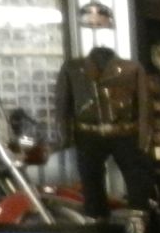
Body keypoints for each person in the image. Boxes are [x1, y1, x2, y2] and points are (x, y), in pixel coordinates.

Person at [55, 39, 154, 219]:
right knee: (91, 185)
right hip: (88, 134)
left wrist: (144, 138)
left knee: (137, 184)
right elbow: (63, 103)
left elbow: (144, 105)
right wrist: (64, 135)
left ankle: (139, 225)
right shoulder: (72, 68)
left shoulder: (131, 68)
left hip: (125, 133)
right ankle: (97, 224)